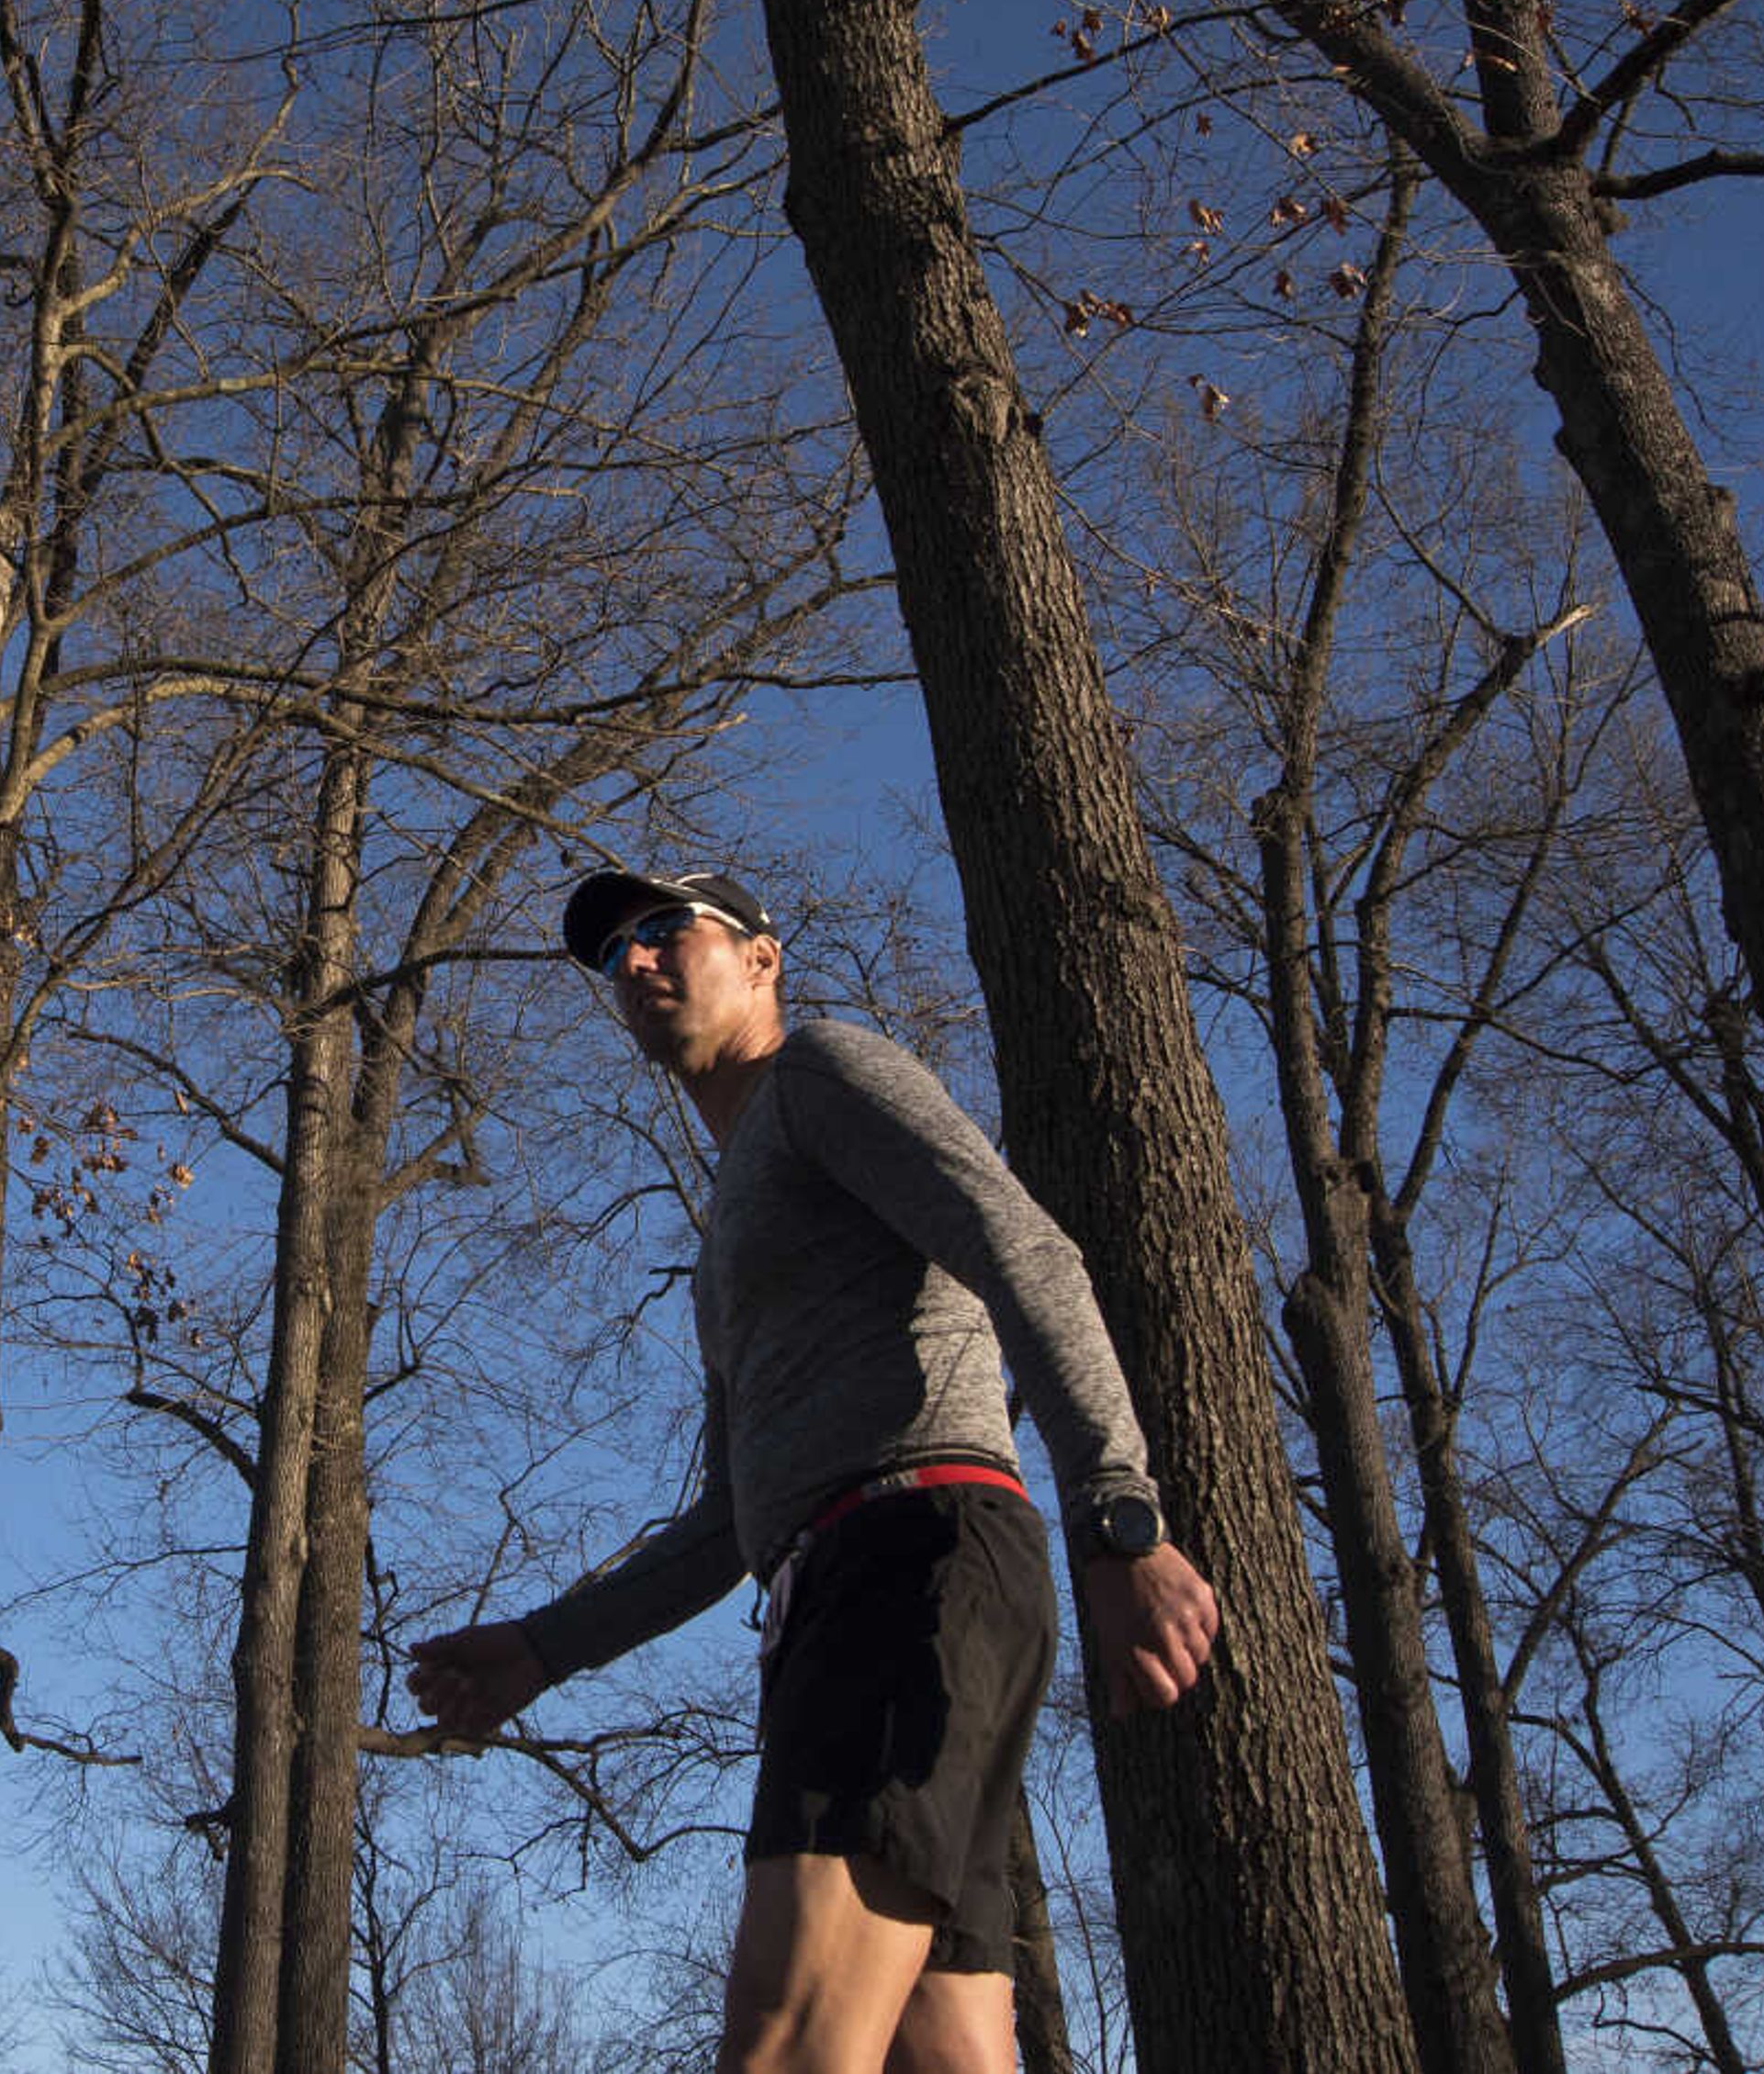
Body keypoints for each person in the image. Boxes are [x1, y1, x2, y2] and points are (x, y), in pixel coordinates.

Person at [407, 869, 1219, 2074]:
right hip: (844, 1590)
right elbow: (736, 1515)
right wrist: (546, 1645)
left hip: (915, 1564)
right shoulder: (725, 1233)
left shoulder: (824, 1076)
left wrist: (1120, 1518)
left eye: (665, 930)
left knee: (786, 2050)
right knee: (937, 2055)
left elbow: (1024, 1250)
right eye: (615, 951)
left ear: (763, 960)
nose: (633, 961)